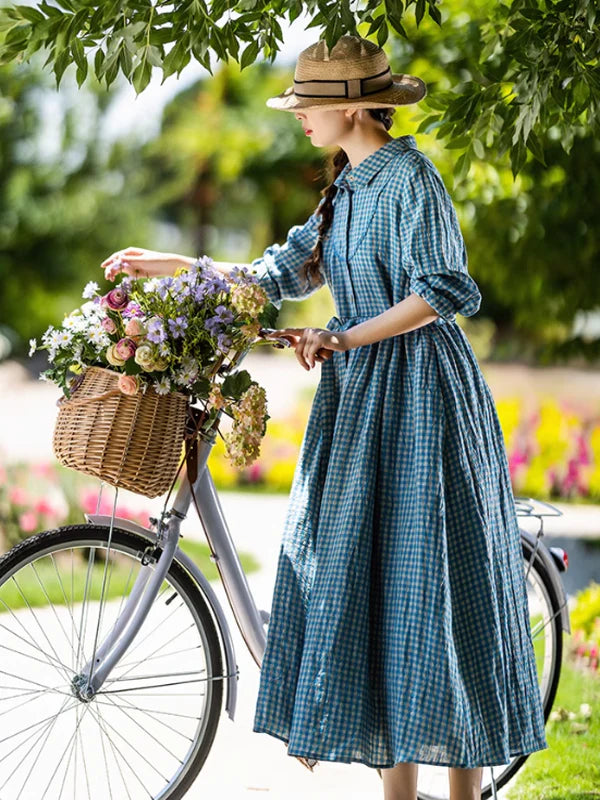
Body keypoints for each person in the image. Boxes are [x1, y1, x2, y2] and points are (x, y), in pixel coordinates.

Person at [101, 34, 548, 800]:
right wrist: (173, 264)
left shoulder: (412, 178)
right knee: (377, 590)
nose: (299, 117)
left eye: (308, 104)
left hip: (424, 397)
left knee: (427, 583)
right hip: (360, 398)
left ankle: (465, 793)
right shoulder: (343, 187)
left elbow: (441, 291)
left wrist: (343, 335)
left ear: (349, 107)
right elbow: (275, 273)